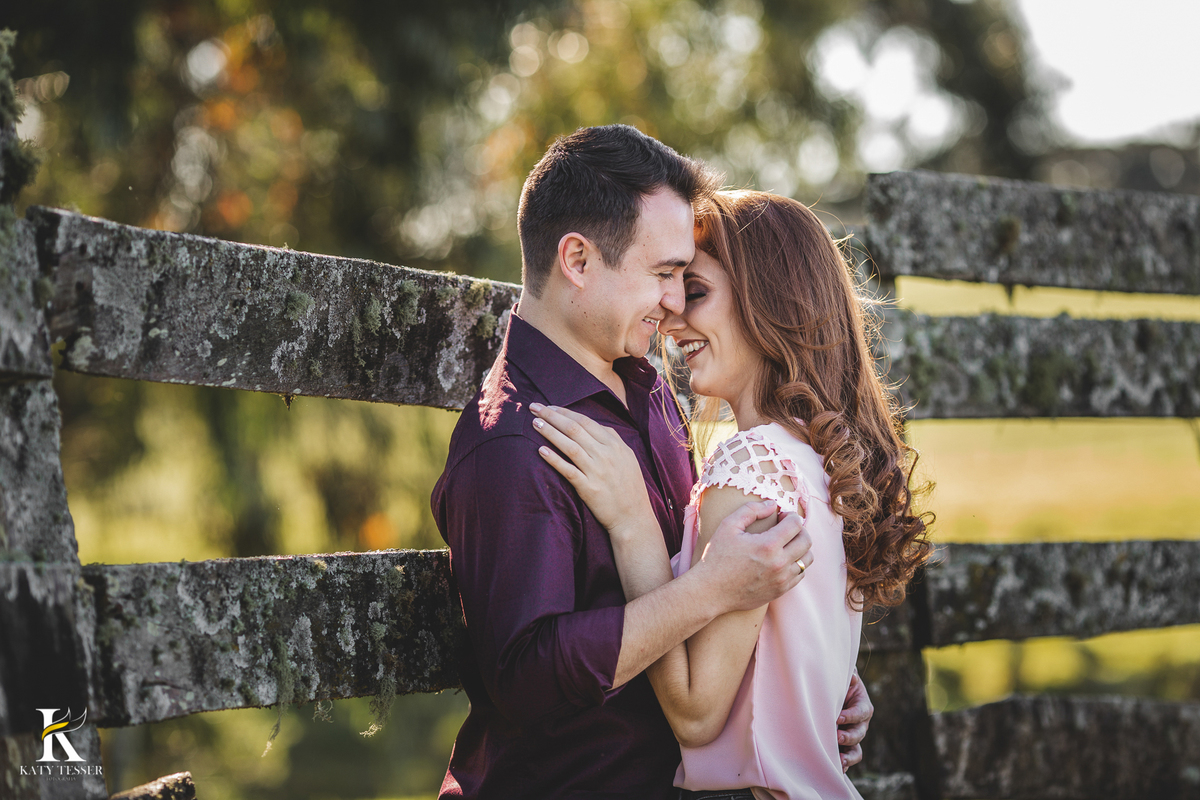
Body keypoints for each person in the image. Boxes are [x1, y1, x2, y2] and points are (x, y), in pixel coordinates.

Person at [431, 126, 873, 800]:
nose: (673, 305)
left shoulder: (654, 394)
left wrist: (801, 671)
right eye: (664, 275)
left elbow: (719, 572)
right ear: (578, 260)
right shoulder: (514, 443)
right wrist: (705, 593)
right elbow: (524, 679)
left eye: (686, 281)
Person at [531, 189, 932, 800]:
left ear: (769, 301)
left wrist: (634, 523)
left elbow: (696, 715)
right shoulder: (823, 459)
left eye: (696, 292)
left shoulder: (750, 467)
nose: (671, 319)